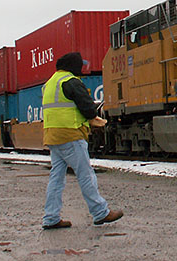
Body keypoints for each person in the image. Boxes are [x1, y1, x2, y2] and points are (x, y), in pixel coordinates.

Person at [41, 51, 123, 229]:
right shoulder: (70, 81)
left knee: (56, 178)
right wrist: (94, 117)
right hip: (71, 134)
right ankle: (100, 212)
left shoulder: (50, 83)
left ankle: (51, 217)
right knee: (86, 174)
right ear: (74, 66)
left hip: (53, 137)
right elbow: (87, 106)